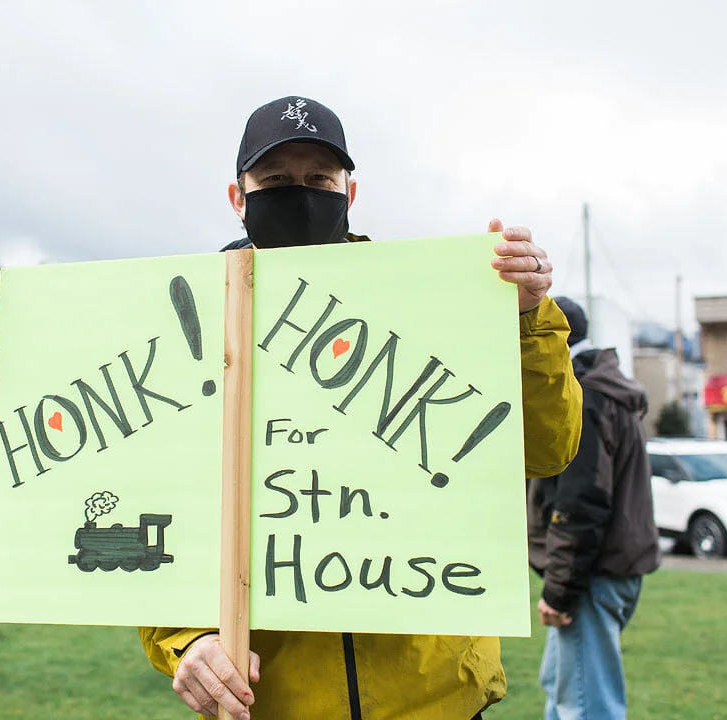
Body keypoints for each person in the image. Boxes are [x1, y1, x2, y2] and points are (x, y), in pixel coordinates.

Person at [141, 96, 583, 720]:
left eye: (319, 179)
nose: (300, 193)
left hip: (438, 698)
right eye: (275, 181)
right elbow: (144, 494)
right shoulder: (189, 327)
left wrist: (528, 317)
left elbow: (546, 448)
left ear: (350, 192)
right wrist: (183, 640)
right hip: (276, 702)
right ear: (238, 198)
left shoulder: (432, 300)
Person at [526, 297, 661, 720]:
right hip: (601, 573)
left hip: (588, 578)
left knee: (585, 706)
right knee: (562, 690)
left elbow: (580, 505)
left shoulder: (582, 396)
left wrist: (560, 591)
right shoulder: (607, 388)